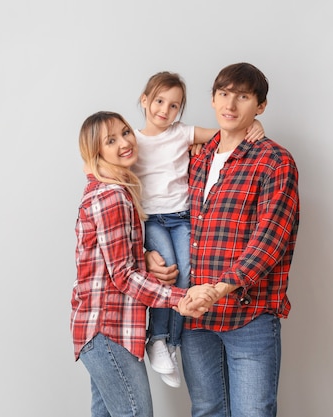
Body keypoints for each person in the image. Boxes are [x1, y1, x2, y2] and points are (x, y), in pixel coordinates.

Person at [146, 63, 300, 417]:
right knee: (206, 409)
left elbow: (270, 240)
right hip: (195, 317)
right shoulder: (193, 158)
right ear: (213, 99)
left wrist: (218, 288)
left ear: (259, 106)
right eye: (224, 94)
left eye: (243, 97)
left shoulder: (274, 161)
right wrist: (148, 250)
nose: (231, 105)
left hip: (247, 313)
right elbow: (155, 203)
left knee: (253, 412)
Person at [71, 111, 218, 417]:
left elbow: (114, 262)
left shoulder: (110, 190)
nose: (125, 142)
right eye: (111, 140)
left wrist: (145, 255)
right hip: (108, 330)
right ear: (97, 152)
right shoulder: (112, 197)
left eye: (125, 132)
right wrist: (181, 299)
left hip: (104, 331)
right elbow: (123, 276)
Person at [131, 71, 265, 388]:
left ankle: (173, 341)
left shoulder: (182, 134)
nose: (165, 110)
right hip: (152, 218)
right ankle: (158, 337)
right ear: (145, 100)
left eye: (174, 105)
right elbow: (108, 164)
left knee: (189, 273)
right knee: (171, 272)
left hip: (181, 215)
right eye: (159, 101)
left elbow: (224, 132)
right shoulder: (133, 141)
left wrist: (253, 126)